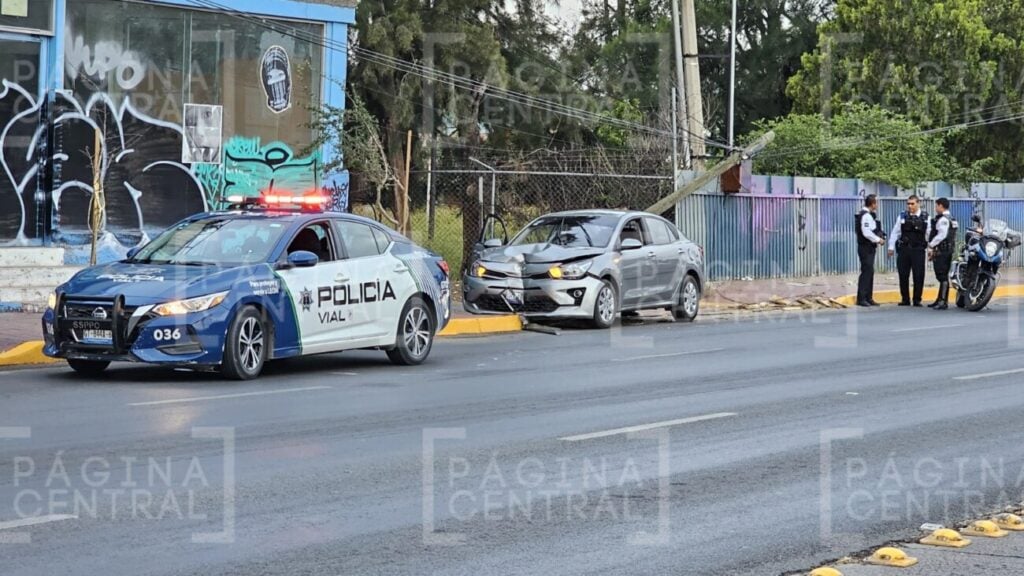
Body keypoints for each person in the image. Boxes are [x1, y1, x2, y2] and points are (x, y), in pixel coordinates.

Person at [888, 195, 931, 307]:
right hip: (904, 249)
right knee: (903, 275)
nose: (910, 206)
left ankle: (917, 299)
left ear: (918, 203)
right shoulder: (903, 216)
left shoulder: (925, 217)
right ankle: (905, 299)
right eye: (908, 203)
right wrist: (891, 247)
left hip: (918, 250)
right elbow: (895, 232)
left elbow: (929, 234)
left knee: (918, 275)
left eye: (912, 203)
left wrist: (931, 248)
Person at [855, 194, 886, 307]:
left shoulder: (868, 215)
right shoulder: (866, 216)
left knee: (870, 272)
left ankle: (868, 297)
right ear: (873, 204)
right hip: (865, 247)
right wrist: (879, 240)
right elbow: (866, 232)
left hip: (868, 247)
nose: (877, 205)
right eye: (876, 203)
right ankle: (862, 298)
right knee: (866, 271)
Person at [927, 198, 957, 310]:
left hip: (942, 251)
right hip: (947, 250)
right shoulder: (951, 219)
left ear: (941, 206)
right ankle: (939, 299)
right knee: (941, 274)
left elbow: (942, 235)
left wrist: (931, 245)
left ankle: (943, 301)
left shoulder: (943, 219)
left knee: (942, 275)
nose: (935, 208)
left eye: (936, 206)